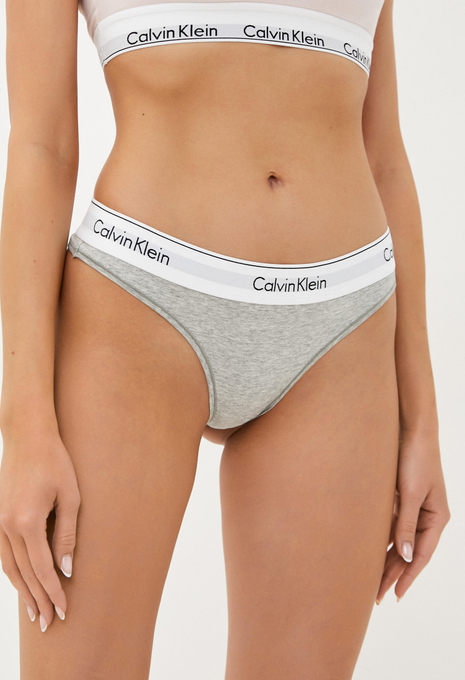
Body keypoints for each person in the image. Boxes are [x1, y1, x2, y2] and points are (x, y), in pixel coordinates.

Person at [0, 0, 451, 677]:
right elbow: (42, 146)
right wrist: (24, 427)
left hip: (343, 331)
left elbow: (383, 152)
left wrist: (422, 422)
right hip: (139, 309)